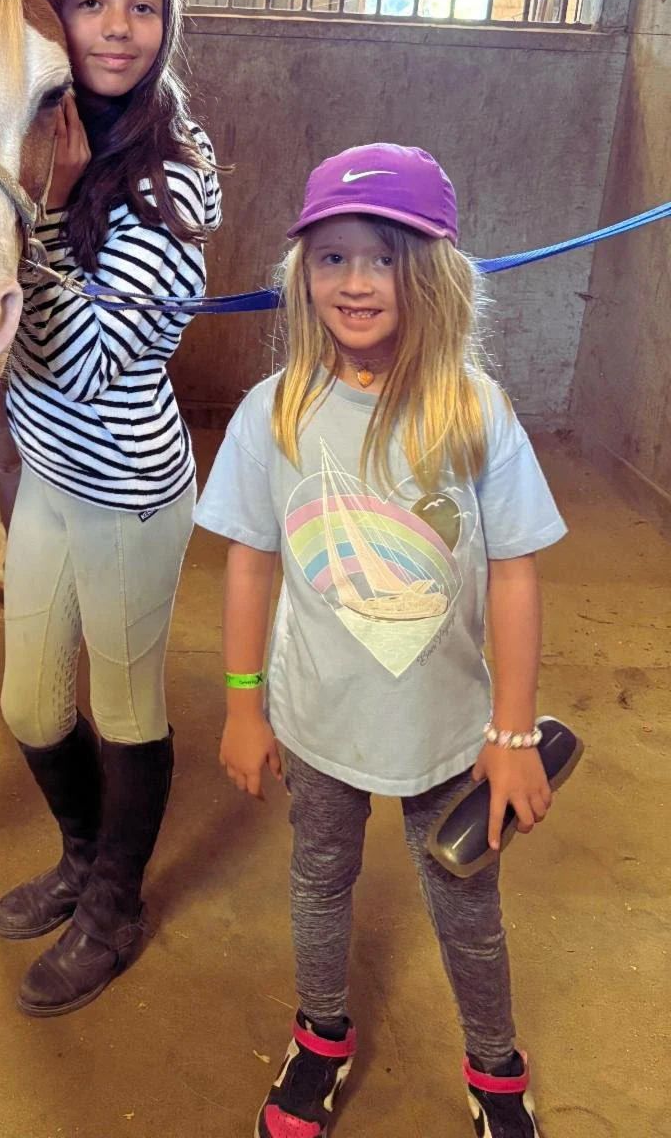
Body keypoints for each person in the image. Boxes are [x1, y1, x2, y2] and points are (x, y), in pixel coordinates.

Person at [195, 144, 567, 1138]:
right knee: (319, 880)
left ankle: (496, 1068)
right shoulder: (275, 412)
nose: (355, 282)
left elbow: (516, 570)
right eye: (333, 257)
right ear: (303, 271)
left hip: (448, 728)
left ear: (432, 272)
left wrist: (514, 733)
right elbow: (249, 564)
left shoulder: (473, 410)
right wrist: (242, 705)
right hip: (319, 722)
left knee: (467, 906)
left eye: (385, 258)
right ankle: (321, 1035)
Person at [0, 0, 222, 1017]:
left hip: (129, 491)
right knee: (30, 710)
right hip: (46, 472)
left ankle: (117, 905)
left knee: (127, 707)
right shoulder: (39, 125)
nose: (119, 27)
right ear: (58, 19)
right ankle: (81, 858)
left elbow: (81, 362)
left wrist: (35, 219)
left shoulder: (176, 178)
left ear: (167, 24)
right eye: (91, 3)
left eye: (144, 5)